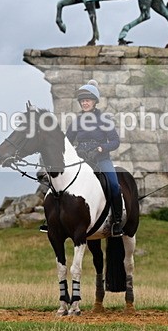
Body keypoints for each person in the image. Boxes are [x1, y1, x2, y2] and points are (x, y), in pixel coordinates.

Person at [40, 80, 124, 237]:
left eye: (88, 100)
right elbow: (66, 142)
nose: (85, 103)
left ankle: (117, 222)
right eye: (83, 101)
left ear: (94, 102)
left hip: (100, 159)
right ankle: (51, 220)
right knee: (57, 182)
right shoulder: (76, 122)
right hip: (81, 160)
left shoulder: (104, 120)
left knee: (114, 185)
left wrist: (101, 148)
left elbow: (115, 141)